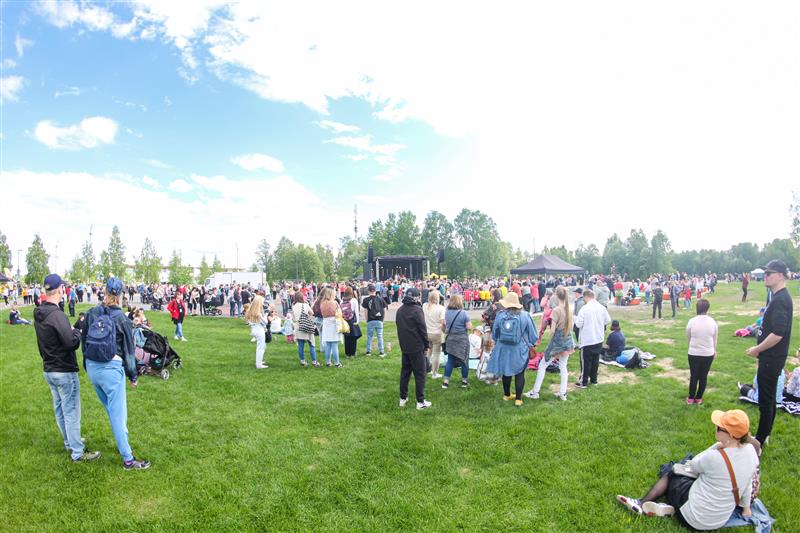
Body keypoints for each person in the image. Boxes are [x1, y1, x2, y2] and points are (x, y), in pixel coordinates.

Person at [616, 409, 759, 530]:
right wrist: (746, 508)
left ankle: (641, 503)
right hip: (718, 521)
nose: (715, 428)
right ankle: (669, 507)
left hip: (692, 518)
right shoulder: (752, 452)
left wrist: (716, 446)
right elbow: (747, 483)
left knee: (672, 471)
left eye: (719, 427)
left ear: (731, 435)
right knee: (684, 468)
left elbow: (693, 465)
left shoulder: (715, 457)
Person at [83, 277, 150, 470]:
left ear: (104, 291)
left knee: (112, 411)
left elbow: (84, 342)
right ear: (121, 294)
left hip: (93, 367)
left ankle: (123, 441)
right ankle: (128, 459)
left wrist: (87, 366)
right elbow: (129, 352)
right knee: (118, 414)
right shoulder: (121, 318)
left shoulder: (92, 313)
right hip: (111, 369)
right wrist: (133, 376)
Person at [34, 274, 99, 463]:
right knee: (70, 411)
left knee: (60, 409)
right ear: (61, 290)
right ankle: (77, 452)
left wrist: (68, 329)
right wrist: (77, 332)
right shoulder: (57, 314)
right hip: (63, 370)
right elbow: (71, 342)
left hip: (49, 369)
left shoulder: (39, 312)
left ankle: (70, 441)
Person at [746, 259, 793, 446]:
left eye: (769, 273)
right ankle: (765, 435)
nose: (765, 276)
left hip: (771, 358)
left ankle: (759, 440)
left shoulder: (781, 299)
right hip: (772, 357)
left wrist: (757, 349)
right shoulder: (778, 296)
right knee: (769, 397)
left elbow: (778, 334)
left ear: (780, 275)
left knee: (765, 400)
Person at [486, 292, 538, 406]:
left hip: (503, 348)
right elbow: (533, 335)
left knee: (506, 371)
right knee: (520, 373)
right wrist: (531, 344)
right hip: (519, 349)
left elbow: (495, 333)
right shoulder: (525, 315)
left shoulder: (500, 315)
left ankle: (507, 395)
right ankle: (518, 399)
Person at [526, 286, 575, 401]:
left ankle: (535, 392)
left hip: (557, 341)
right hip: (567, 340)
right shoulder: (569, 309)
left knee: (542, 365)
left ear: (557, 295)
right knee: (563, 366)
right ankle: (563, 393)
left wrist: (551, 340)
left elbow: (553, 330)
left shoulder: (557, 310)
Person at [396, 287, 432, 409]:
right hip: (416, 347)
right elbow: (423, 329)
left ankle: (403, 398)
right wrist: (427, 345)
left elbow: (399, 328)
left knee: (405, 373)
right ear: (416, 297)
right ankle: (420, 402)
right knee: (420, 374)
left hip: (405, 346)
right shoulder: (417, 310)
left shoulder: (400, 310)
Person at [574, 289, 611, 388]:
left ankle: (584, 381)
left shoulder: (585, 309)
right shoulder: (601, 307)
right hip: (598, 338)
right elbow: (608, 320)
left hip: (587, 339)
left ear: (586, 297)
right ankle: (594, 380)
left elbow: (578, 324)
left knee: (586, 362)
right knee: (595, 360)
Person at [686, 299, 718, 405]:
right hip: (708, 353)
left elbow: (688, 337)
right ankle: (698, 398)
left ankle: (691, 398)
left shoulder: (692, 321)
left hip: (693, 353)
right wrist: (714, 350)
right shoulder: (712, 322)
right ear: (707, 308)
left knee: (694, 376)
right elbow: (715, 339)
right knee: (703, 376)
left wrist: (693, 346)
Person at [441, 294, 473, 389]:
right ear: (460, 301)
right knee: (464, 361)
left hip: (450, 338)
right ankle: (464, 382)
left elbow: (444, 329)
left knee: (450, 361)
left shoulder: (446, 313)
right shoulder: (463, 313)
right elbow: (469, 327)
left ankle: (445, 382)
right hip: (462, 339)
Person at [291, 292, 319, 366]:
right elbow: (312, 313)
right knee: (311, 344)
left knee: (301, 345)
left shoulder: (293, 306)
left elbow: (294, 317)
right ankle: (314, 361)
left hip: (298, 326)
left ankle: (303, 361)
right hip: (307, 325)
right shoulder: (305, 305)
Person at [423, 290, 446, 379]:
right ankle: (434, 373)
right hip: (437, 333)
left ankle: (427, 369)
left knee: (428, 352)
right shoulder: (441, 308)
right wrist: (444, 331)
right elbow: (442, 322)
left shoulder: (424, 306)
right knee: (436, 354)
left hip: (427, 333)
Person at [319, 287, 343, 368]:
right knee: (334, 344)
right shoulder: (334, 303)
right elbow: (340, 313)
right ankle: (337, 363)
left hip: (326, 324)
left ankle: (328, 362)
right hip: (334, 324)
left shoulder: (322, 303)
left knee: (328, 344)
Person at [244, 295, 270, 369]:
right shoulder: (257, 313)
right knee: (261, 348)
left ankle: (259, 361)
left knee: (262, 347)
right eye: (262, 302)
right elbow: (265, 322)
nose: (263, 303)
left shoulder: (250, 311)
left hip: (254, 329)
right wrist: (266, 314)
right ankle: (259, 364)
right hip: (259, 330)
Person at [362, 284, 387, 357]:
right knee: (380, 336)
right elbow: (384, 309)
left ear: (369, 291)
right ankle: (382, 352)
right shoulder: (381, 299)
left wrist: (366, 319)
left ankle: (368, 351)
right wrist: (383, 319)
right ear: (375, 291)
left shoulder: (366, 300)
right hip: (379, 319)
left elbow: (366, 310)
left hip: (371, 319)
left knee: (369, 336)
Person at [340, 286, 361, 358]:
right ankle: (352, 353)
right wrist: (357, 321)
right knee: (353, 337)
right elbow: (356, 311)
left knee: (347, 337)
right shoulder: (354, 300)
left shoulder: (342, 300)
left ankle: (347, 353)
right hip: (352, 320)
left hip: (345, 321)